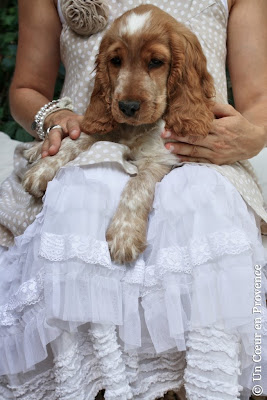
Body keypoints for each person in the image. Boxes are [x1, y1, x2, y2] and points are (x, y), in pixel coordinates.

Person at [0, 0, 266, 399]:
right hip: (87, 141)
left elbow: (259, 98)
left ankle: (189, 378)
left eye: (155, 63)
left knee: (199, 203)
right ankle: (92, 378)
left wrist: (256, 134)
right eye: (116, 62)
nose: (129, 91)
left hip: (198, 147)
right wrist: (56, 120)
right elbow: (26, 89)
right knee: (81, 196)